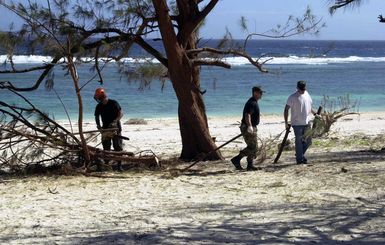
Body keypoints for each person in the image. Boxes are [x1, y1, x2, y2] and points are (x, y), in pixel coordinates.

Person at [231, 86, 264, 171]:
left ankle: (250, 165)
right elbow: (247, 115)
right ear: (255, 93)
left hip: (252, 126)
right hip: (247, 127)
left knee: (253, 146)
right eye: (260, 93)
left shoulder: (254, 102)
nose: (261, 94)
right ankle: (237, 159)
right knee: (253, 147)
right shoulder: (252, 102)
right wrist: (249, 126)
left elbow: (251, 114)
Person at [284, 81, 317, 164]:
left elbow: (309, 107)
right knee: (298, 142)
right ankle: (299, 160)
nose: (303, 90)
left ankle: (300, 154)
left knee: (308, 141)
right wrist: (286, 122)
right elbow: (286, 109)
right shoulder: (292, 97)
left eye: (304, 89)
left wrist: (315, 113)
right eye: (301, 89)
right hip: (296, 124)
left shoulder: (307, 94)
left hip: (306, 122)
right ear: (297, 88)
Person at [94, 88, 124, 171]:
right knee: (106, 148)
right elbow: (97, 116)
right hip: (105, 129)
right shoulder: (99, 106)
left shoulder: (114, 103)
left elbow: (121, 113)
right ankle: (107, 165)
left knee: (118, 147)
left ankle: (119, 166)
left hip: (116, 128)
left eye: (100, 99)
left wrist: (115, 121)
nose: (101, 101)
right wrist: (98, 126)